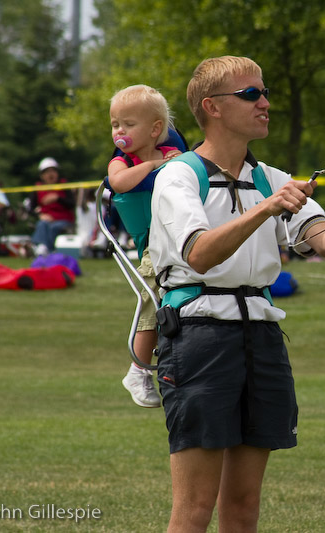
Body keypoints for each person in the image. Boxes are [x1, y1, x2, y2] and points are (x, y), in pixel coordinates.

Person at [148, 55, 325, 533]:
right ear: (213, 107)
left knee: (244, 505)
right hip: (199, 337)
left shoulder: (272, 176)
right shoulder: (178, 176)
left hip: (261, 335)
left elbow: (322, 240)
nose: (265, 102)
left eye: (264, 92)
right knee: (193, 508)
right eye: (251, 94)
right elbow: (201, 255)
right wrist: (266, 209)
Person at [107, 84, 183, 408]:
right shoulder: (122, 161)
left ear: (155, 129)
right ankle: (137, 369)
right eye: (114, 124)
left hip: (179, 238)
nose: (119, 131)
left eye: (128, 124)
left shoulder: (175, 155)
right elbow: (118, 183)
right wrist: (154, 166)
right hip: (153, 243)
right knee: (152, 293)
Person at [28, 157, 76, 256]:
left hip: (63, 219)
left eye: (53, 171)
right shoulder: (38, 188)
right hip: (46, 219)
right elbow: (31, 208)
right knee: (42, 224)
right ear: (42, 175)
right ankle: (41, 247)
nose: (51, 174)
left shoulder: (63, 185)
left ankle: (46, 250)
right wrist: (40, 215)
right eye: (47, 172)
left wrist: (57, 198)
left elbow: (72, 204)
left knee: (54, 227)